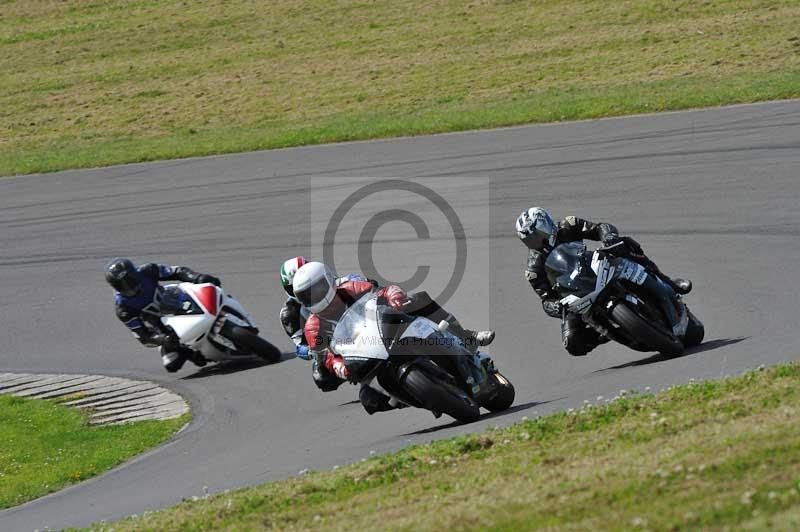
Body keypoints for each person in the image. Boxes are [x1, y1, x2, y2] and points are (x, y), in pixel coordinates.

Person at [293, 261, 495, 415]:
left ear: (329, 280)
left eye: (317, 290)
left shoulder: (349, 287)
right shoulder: (313, 327)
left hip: (387, 329)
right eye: (306, 296)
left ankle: (466, 337)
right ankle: (419, 397)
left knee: (418, 300)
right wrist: (341, 368)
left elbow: (382, 291)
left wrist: (395, 297)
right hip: (365, 354)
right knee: (368, 400)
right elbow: (326, 356)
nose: (314, 297)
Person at [515, 207, 692, 356]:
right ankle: (605, 332)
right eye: (529, 240)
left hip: (593, 266)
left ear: (546, 224)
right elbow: (545, 299)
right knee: (572, 343)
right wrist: (555, 307)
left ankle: (668, 282)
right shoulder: (533, 270)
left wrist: (608, 237)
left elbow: (600, 228)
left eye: (537, 234)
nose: (535, 241)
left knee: (625, 245)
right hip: (575, 294)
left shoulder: (568, 225)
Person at [105, 257, 221, 372]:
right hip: (164, 328)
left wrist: (196, 277)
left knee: (207, 282)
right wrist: (163, 339)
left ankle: (221, 304)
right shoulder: (123, 308)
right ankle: (191, 352)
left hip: (176, 302)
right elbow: (143, 337)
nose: (127, 287)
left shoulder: (148, 270)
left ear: (134, 274)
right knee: (171, 364)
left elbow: (177, 272)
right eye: (121, 285)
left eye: (129, 281)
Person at [278, 256, 371, 361]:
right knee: (320, 374)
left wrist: (363, 282)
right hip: (330, 344)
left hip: (362, 325)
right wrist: (313, 350)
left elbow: (369, 286)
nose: (307, 289)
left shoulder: (333, 282)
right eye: (294, 286)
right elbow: (301, 346)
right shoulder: (289, 314)